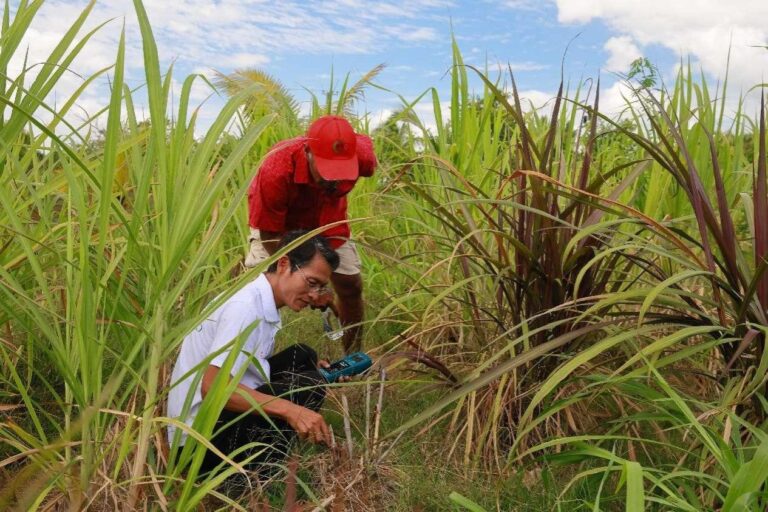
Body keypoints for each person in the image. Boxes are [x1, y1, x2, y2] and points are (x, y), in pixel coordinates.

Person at [167, 231, 339, 488]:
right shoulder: (245, 308)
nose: (315, 295)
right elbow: (213, 388)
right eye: (311, 282)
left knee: (303, 357)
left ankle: (267, 452)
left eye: (321, 287)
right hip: (198, 445)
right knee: (308, 385)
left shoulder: (260, 298)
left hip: (211, 419)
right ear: (283, 264)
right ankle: (253, 479)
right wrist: (291, 409)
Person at [245, 115, 377, 353]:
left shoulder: (364, 157)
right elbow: (269, 233)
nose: (335, 179)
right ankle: (252, 362)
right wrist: (309, 283)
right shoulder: (276, 167)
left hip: (329, 221)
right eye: (328, 169)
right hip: (279, 228)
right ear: (308, 151)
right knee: (262, 292)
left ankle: (354, 357)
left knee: (351, 286)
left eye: (342, 169)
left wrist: (318, 285)